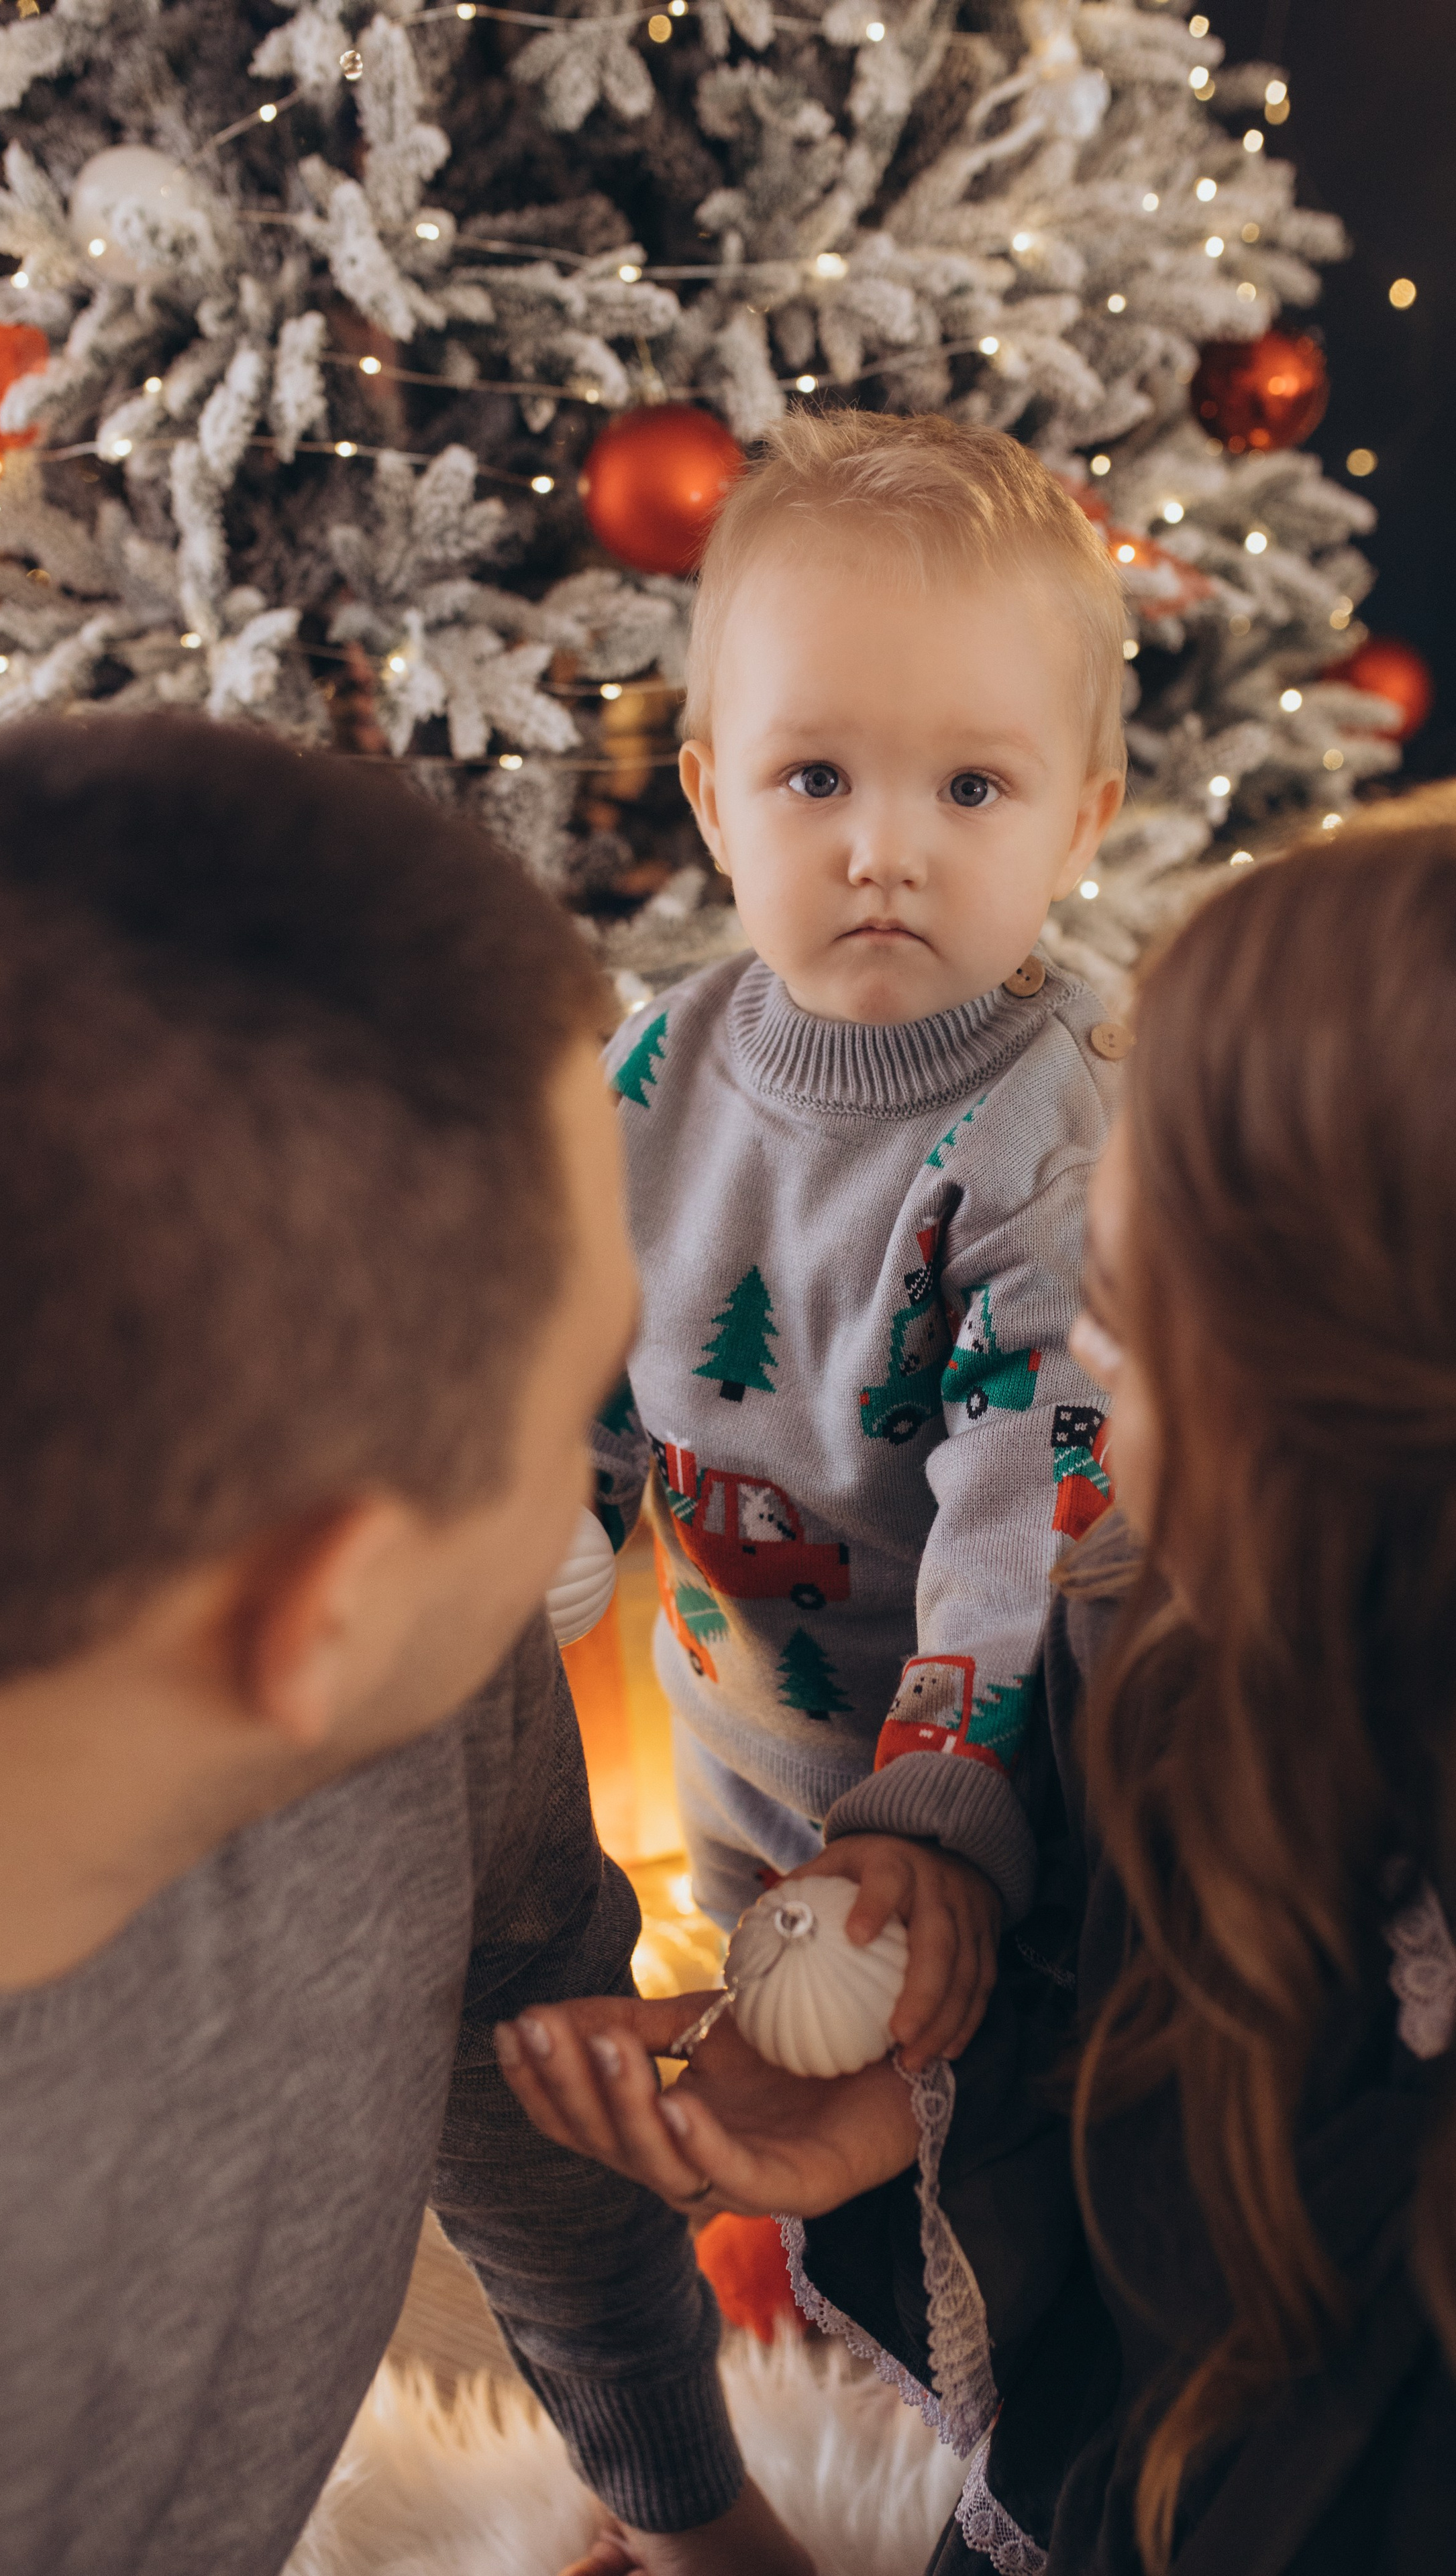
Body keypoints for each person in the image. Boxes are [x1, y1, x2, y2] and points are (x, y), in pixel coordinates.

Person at [501, 770, 1456, 2573]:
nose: (1072, 1415)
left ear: (1372, 1429)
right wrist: (905, 2102)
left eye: (1121, 1328)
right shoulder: (1196, 1677)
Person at [0, 715, 809, 2576]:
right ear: (322, 1615)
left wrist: (694, 2508)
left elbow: (523, 2021)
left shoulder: (432, 1705)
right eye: (571, 1409)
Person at [592, 410, 1129, 2070]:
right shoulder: (652, 1070)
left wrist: (935, 1814)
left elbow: (1027, 1516)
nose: (880, 848)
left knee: (973, 2157)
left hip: (994, 1804)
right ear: (709, 797)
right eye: (812, 776)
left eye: (970, 785)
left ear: (1079, 822)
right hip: (741, 1749)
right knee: (780, 2081)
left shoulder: (1054, 1140)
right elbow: (564, 1349)